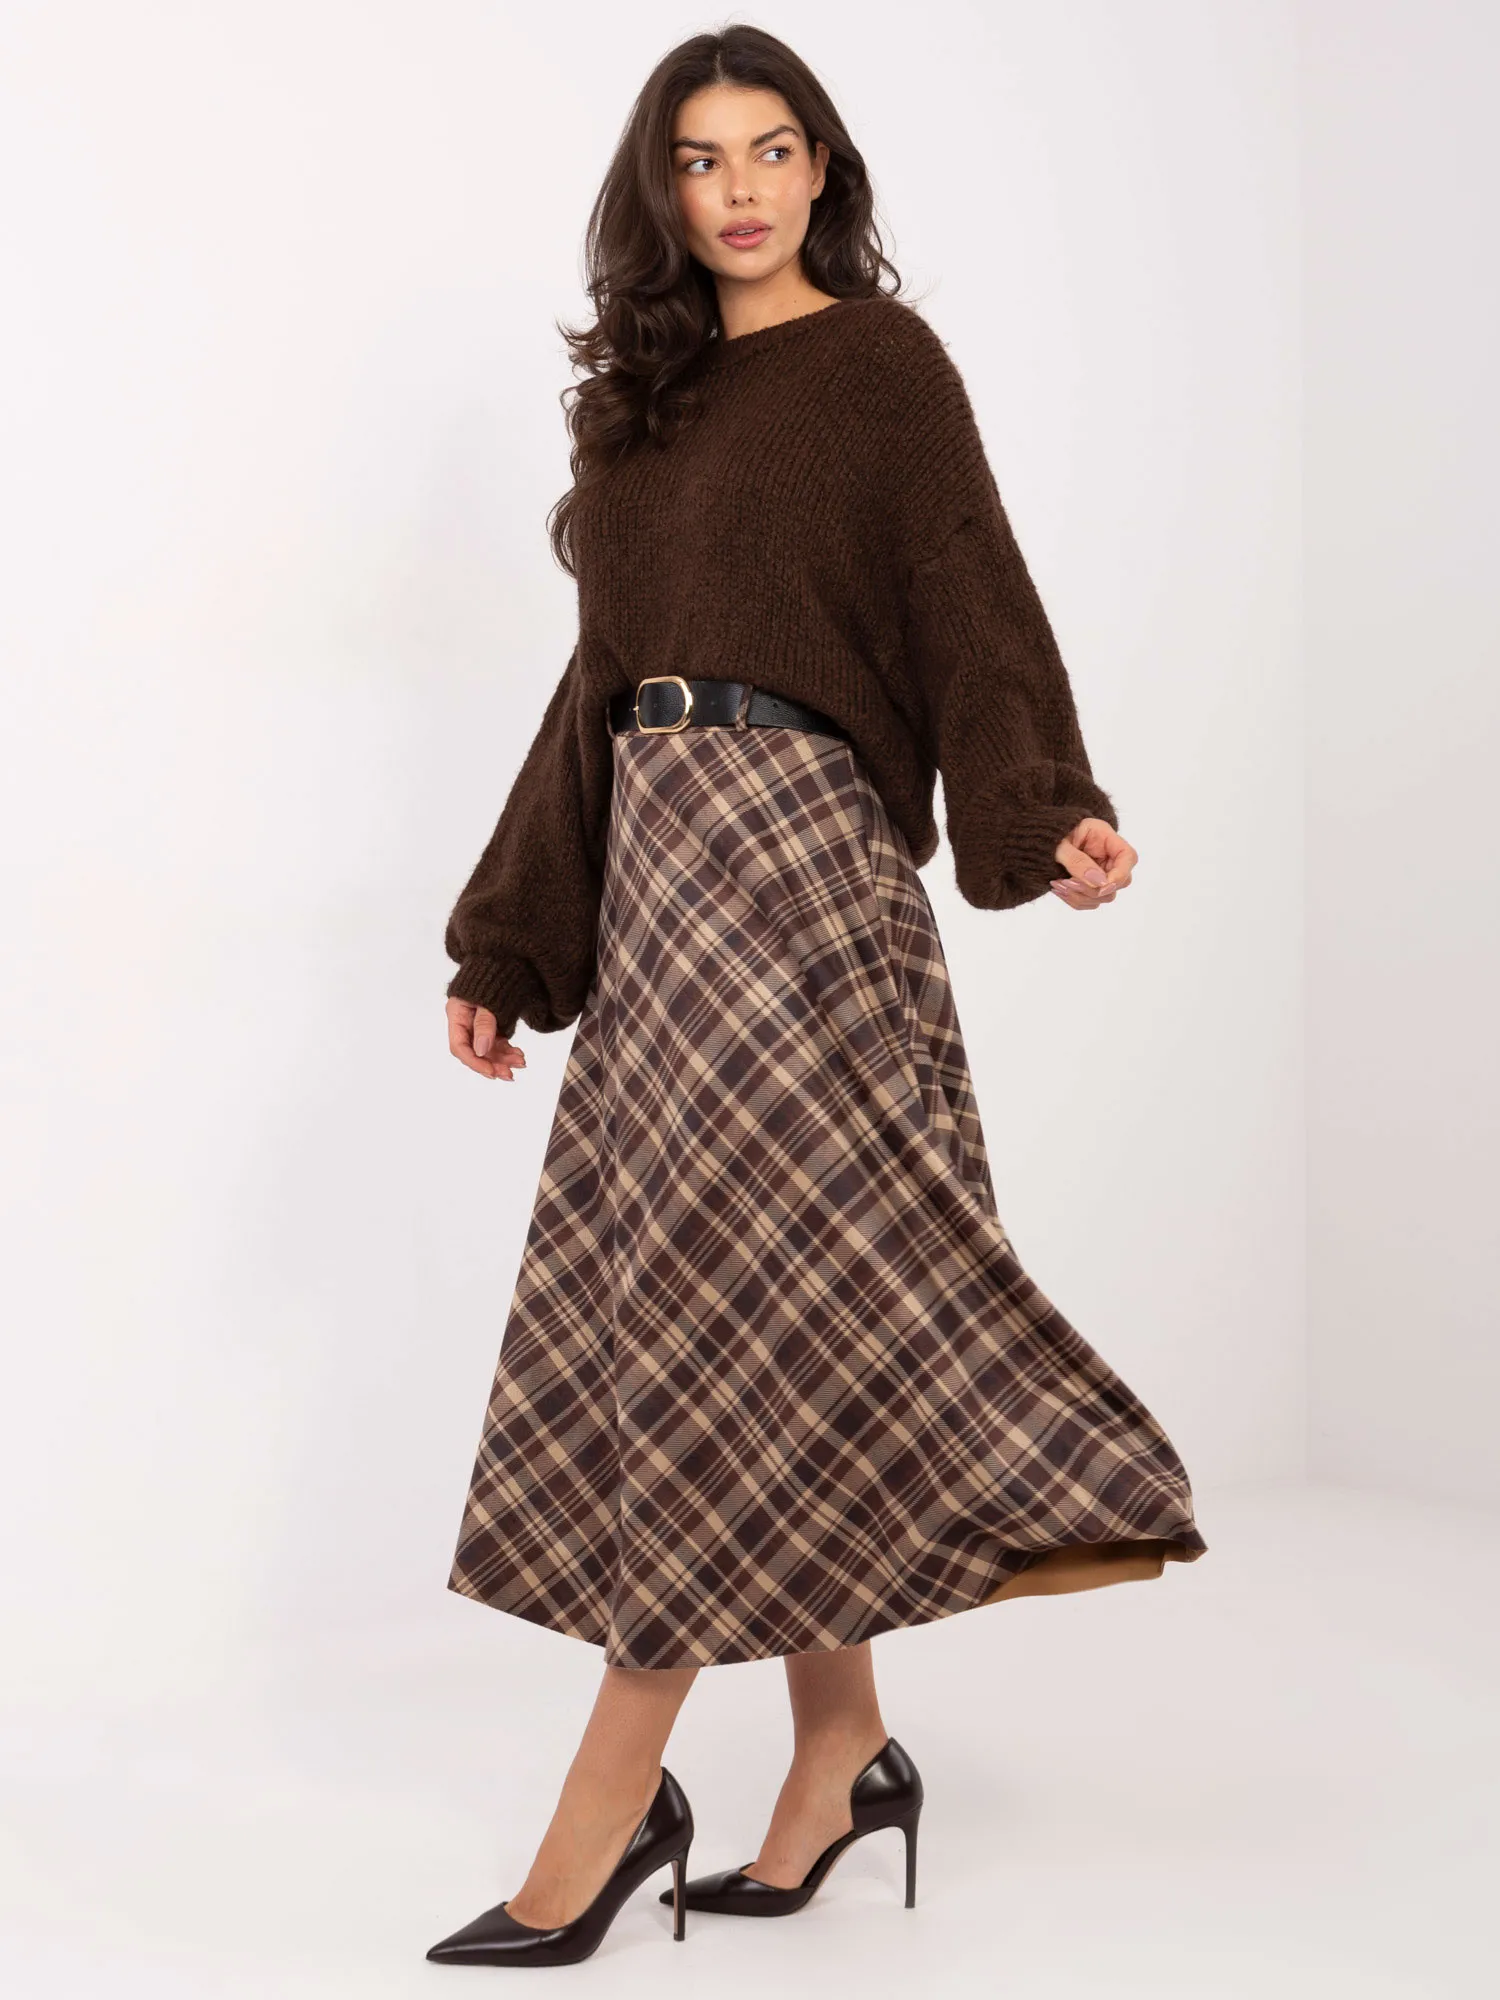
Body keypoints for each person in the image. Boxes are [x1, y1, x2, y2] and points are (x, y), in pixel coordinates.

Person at [426, 22, 1208, 1971]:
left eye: (774, 150)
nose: (742, 189)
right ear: (660, 192)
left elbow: (968, 592)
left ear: (826, 171)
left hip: (804, 877)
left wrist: (1039, 805)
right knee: (751, 1310)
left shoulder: (880, 370)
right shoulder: (640, 414)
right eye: (702, 159)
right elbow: (599, 687)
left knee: (727, 1303)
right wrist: (513, 939)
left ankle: (606, 1810)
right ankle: (843, 1749)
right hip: (663, 890)